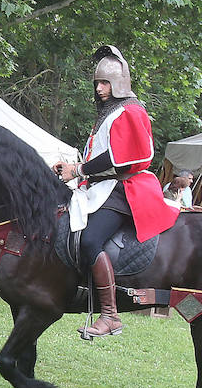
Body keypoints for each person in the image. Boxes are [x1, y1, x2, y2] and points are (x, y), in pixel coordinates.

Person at [52, 45, 178, 340]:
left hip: (125, 189)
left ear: (119, 83)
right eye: (97, 83)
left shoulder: (129, 111)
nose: (99, 88)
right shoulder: (110, 114)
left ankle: (110, 316)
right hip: (106, 187)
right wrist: (74, 167)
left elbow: (120, 158)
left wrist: (78, 170)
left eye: (105, 82)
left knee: (91, 240)